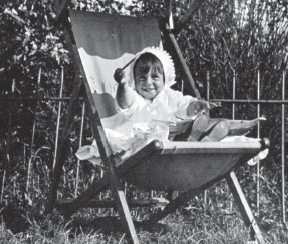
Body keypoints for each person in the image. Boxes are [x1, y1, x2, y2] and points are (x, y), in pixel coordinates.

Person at [76, 47, 228, 165]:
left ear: (165, 79)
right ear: (134, 80)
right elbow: (125, 102)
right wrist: (122, 85)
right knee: (151, 142)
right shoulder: (135, 97)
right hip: (142, 142)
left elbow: (183, 105)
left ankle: (197, 138)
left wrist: (195, 106)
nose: (148, 82)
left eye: (155, 77)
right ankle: (194, 141)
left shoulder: (170, 95)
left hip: (170, 139)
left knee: (197, 121)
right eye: (142, 78)